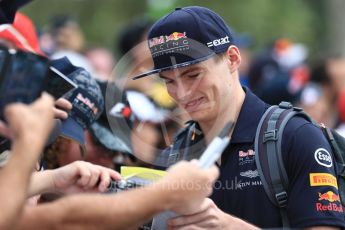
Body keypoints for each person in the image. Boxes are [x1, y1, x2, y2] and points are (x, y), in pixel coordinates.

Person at [132, 6, 345, 229]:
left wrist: (227, 226)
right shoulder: (175, 155)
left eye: (193, 75)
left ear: (232, 59)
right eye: (169, 81)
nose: (182, 93)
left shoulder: (295, 137)